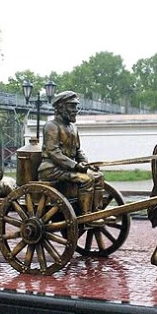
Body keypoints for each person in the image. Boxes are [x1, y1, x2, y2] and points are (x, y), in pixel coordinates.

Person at [38, 91, 107, 226]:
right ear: (60, 107)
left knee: (98, 176)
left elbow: (78, 150)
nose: (75, 110)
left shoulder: (73, 127)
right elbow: (53, 152)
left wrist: (85, 163)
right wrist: (75, 165)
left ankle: (96, 212)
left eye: (76, 106)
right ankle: (86, 216)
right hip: (51, 169)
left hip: (66, 168)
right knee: (86, 180)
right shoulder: (51, 126)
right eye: (72, 106)